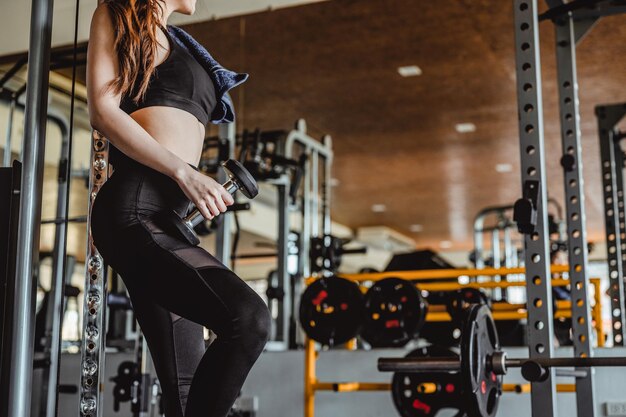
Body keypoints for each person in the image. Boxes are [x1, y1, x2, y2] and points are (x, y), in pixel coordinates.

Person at [86, 1, 271, 416]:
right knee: (249, 319)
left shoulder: (179, 42)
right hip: (134, 209)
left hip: (169, 218)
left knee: (185, 393)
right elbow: (102, 111)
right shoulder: (117, 13)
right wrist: (185, 174)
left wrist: (187, 179)